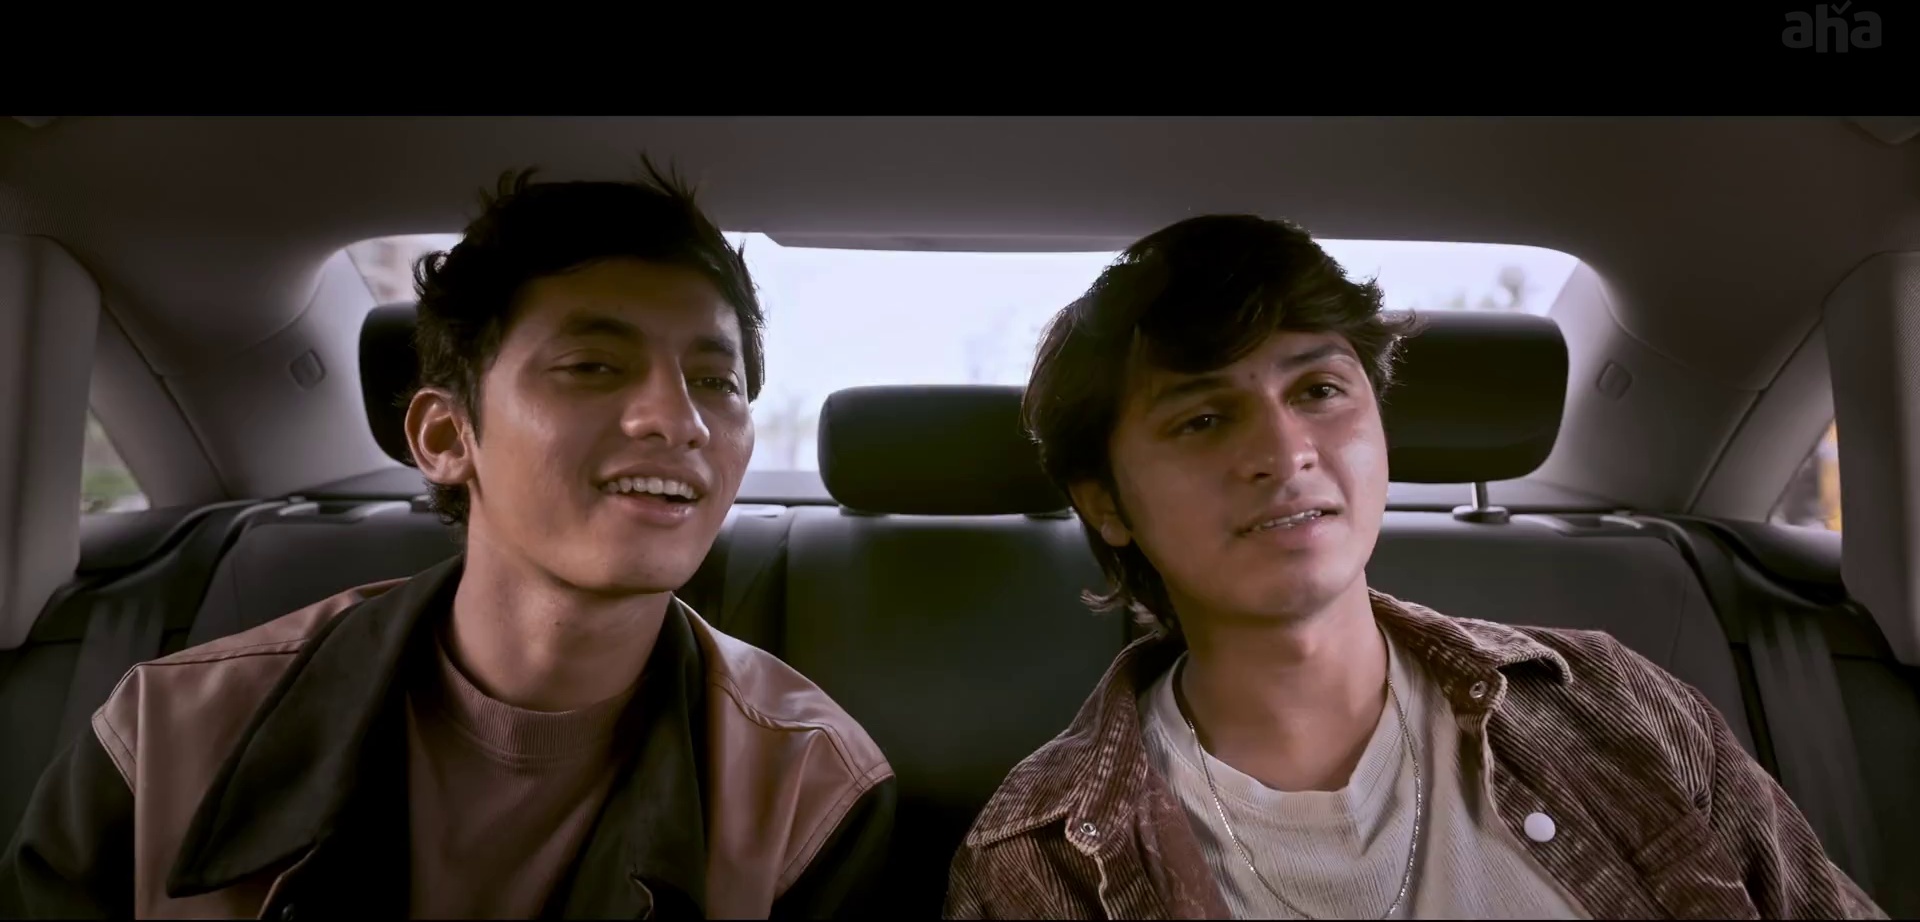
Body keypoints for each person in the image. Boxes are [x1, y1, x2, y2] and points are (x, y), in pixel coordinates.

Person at [1, 165, 895, 920]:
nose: (679, 419)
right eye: (593, 365)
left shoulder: (808, 792)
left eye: (715, 381)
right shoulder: (169, 738)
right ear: (443, 436)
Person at [943, 214, 1884, 919]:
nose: (1285, 451)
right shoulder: (1035, 862)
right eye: (1203, 418)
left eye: (1320, 389)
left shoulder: (1611, 705)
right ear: (1107, 503)